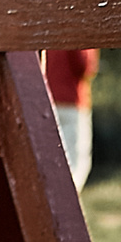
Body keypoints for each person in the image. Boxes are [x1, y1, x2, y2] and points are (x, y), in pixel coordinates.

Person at [46, 47, 99, 186]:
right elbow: (84, 66)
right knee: (77, 164)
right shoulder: (77, 31)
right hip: (73, 103)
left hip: (49, 101)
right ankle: (64, 205)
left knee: (54, 162)